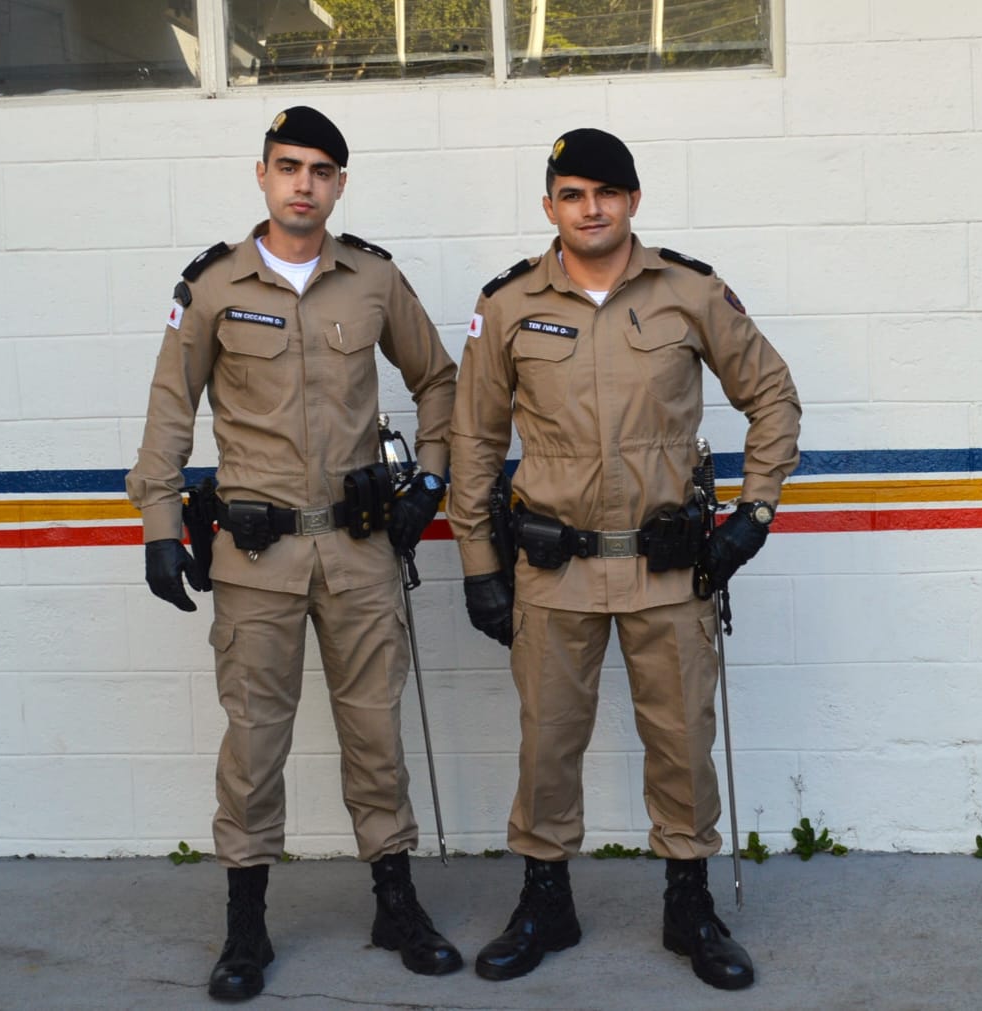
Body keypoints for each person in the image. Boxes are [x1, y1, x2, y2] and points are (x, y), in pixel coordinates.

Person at [446, 127, 801, 991]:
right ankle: (545, 902)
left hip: (668, 568)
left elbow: (772, 396)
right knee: (547, 744)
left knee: (681, 741)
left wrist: (753, 515)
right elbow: (474, 441)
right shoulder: (508, 306)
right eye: (572, 193)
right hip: (553, 570)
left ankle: (689, 905)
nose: (591, 208)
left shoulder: (689, 292)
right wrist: (480, 565)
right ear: (550, 206)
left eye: (607, 191)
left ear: (634, 199)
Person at [125, 106, 462, 1002]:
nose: (302, 184)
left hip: (359, 551)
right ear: (263, 175)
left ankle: (396, 905)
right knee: (253, 743)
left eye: (319, 169)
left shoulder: (373, 280)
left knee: (376, 733)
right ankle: (246, 925)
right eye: (287, 166)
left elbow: (439, 380)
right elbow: (169, 408)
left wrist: (430, 479)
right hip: (256, 558)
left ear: (340, 183)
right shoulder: (211, 286)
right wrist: (159, 524)